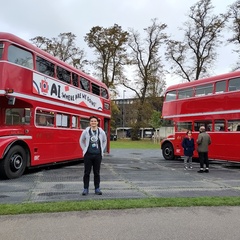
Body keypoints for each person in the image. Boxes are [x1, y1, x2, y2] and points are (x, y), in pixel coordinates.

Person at [79, 116, 107, 196]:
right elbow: (81, 141)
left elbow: (104, 141)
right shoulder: (86, 131)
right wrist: (85, 150)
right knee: (86, 172)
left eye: (95, 121)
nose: (93, 122)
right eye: (92, 121)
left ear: (97, 122)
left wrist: (102, 149)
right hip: (88, 155)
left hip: (97, 155)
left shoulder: (101, 132)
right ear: (90, 123)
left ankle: (97, 188)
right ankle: (85, 188)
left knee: (97, 173)